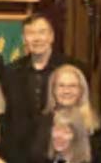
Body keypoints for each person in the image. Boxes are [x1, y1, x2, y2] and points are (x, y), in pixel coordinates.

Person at [7, 14, 83, 154]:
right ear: (24, 39)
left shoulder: (71, 69)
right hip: (21, 152)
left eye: (42, 32)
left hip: (60, 149)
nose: (37, 38)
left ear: (51, 36)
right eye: (30, 33)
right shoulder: (11, 72)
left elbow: (82, 110)